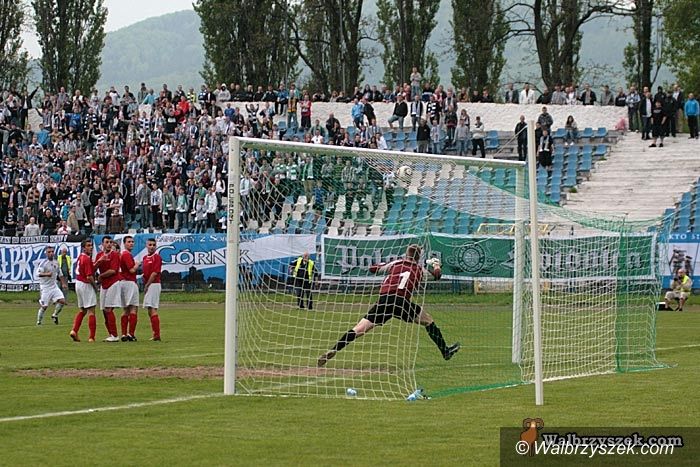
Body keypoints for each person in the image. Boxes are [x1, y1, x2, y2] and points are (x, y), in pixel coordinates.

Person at [317, 244, 460, 367]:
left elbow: (373, 269)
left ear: (406, 254)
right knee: (428, 321)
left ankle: (334, 349)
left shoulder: (396, 264)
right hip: (401, 301)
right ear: (418, 257)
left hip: (384, 300)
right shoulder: (419, 269)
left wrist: (381, 266)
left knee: (359, 329)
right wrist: (436, 265)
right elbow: (436, 276)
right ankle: (445, 351)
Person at [70, 239, 99, 342]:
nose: (90, 247)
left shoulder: (81, 257)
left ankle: (74, 330)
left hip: (78, 283)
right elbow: (89, 276)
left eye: (91, 245)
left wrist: (98, 262)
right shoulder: (86, 259)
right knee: (91, 310)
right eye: (88, 246)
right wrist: (95, 287)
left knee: (82, 310)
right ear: (83, 248)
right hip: (86, 284)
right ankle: (92, 337)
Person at [95, 236, 121, 342]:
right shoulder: (99, 255)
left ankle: (114, 335)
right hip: (104, 284)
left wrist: (101, 276)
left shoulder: (114, 255)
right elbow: (93, 268)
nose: (109, 244)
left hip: (113, 283)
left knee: (108, 308)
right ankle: (110, 334)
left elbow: (113, 270)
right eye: (107, 242)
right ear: (102, 244)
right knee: (104, 310)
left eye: (110, 242)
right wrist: (98, 262)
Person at [35, 246, 67, 325]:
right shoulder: (43, 263)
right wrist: (47, 274)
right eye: (49, 252)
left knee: (62, 301)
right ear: (46, 253)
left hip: (54, 286)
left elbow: (60, 274)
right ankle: (39, 322)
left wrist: (63, 283)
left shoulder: (56, 262)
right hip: (45, 287)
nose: (51, 253)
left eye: (52, 251)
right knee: (44, 307)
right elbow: (37, 274)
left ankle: (54, 315)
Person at [119, 236, 141, 341]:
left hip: (123, 282)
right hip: (129, 283)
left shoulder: (123, 254)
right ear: (124, 244)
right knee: (133, 308)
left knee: (125, 309)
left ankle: (124, 334)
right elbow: (131, 270)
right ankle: (130, 334)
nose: (131, 243)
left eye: (132, 242)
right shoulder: (126, 254)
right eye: (129, 242)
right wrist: (137, 264)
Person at [142, 238, 162, 341]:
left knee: (153, 308)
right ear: (146, 246)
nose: (152, 247)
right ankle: (155, 334)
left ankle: (157, 335)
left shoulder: (157, 257)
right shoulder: (145, 258)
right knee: (150, 309)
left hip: (154, 284)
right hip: (149, 284)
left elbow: (154, 273)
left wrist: (147, 284)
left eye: (154, 245)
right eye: (150, 245)